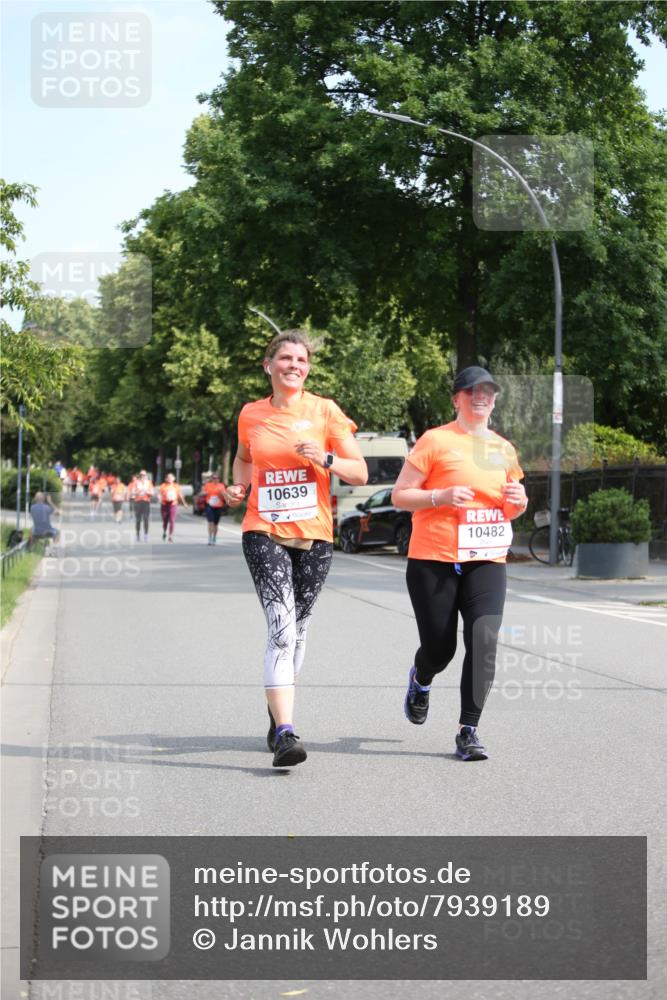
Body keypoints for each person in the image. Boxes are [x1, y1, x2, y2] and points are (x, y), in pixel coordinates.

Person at [225, 329, 367, 768]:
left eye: (301, 360)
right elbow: (244, 458)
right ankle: (287, 732)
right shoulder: (251, 414)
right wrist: (239, 486)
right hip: (263, 530)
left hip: (315, 536)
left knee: (299, 629)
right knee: (281, 629)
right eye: (285, 358)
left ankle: (276, 714)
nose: (294, 365)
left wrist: (325, 458)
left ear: (308, 369)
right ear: (268, 366)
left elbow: (359, 472)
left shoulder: (325, 411)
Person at [392, 366, 527, 761]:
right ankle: (422, 678)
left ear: (495, 400)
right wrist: (440, 496)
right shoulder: (435, 440)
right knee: (440, 649)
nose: (480, 396)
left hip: (486, 559)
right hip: (433, 558)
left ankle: (468, 731)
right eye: (471, 391)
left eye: (488, 391)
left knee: (484, 641)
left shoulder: (503, 449)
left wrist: (519, 504)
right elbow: (400, 495)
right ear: (456, 399)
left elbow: (511, 505)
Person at [158, 473, 187, 541]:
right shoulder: (163, 486)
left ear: (174, 479)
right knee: (165, 521)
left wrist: (184, 503)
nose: (170, 479)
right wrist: (159, 499)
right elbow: (159, 494)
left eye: (171, 478)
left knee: (172, 520)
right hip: (164, 505)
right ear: (166, 479)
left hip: (173, 504)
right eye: (168, 478)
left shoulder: (176, 486)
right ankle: (165, 531)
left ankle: (170, 535)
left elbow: (180, 495)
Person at [202, 473, 227, 545]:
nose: (216, 479)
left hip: (218, 506)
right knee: (210, 522)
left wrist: (222, 494)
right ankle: (210, 538)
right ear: (212, 479)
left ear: (219, 479)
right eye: (214, 478)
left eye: (217, 478)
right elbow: (203, 493)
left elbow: (224, 496)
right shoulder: (208, 485)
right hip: (209, 506)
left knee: (216, 524)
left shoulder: (221, 486)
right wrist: (204, 493)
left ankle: (214, 537)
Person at [130, 470, 154, 542]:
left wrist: (147, 492)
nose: (142, 476)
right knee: (138, 520)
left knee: (146, 519)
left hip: (146, 502)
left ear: (146, 476)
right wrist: (138, 491)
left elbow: (152, 493)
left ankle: (146, 535)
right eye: (141, 475)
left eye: (144, 475)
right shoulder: (136, 482)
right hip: (138, 502)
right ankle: (137, 534)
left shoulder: (149, 483)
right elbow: (132, 492)